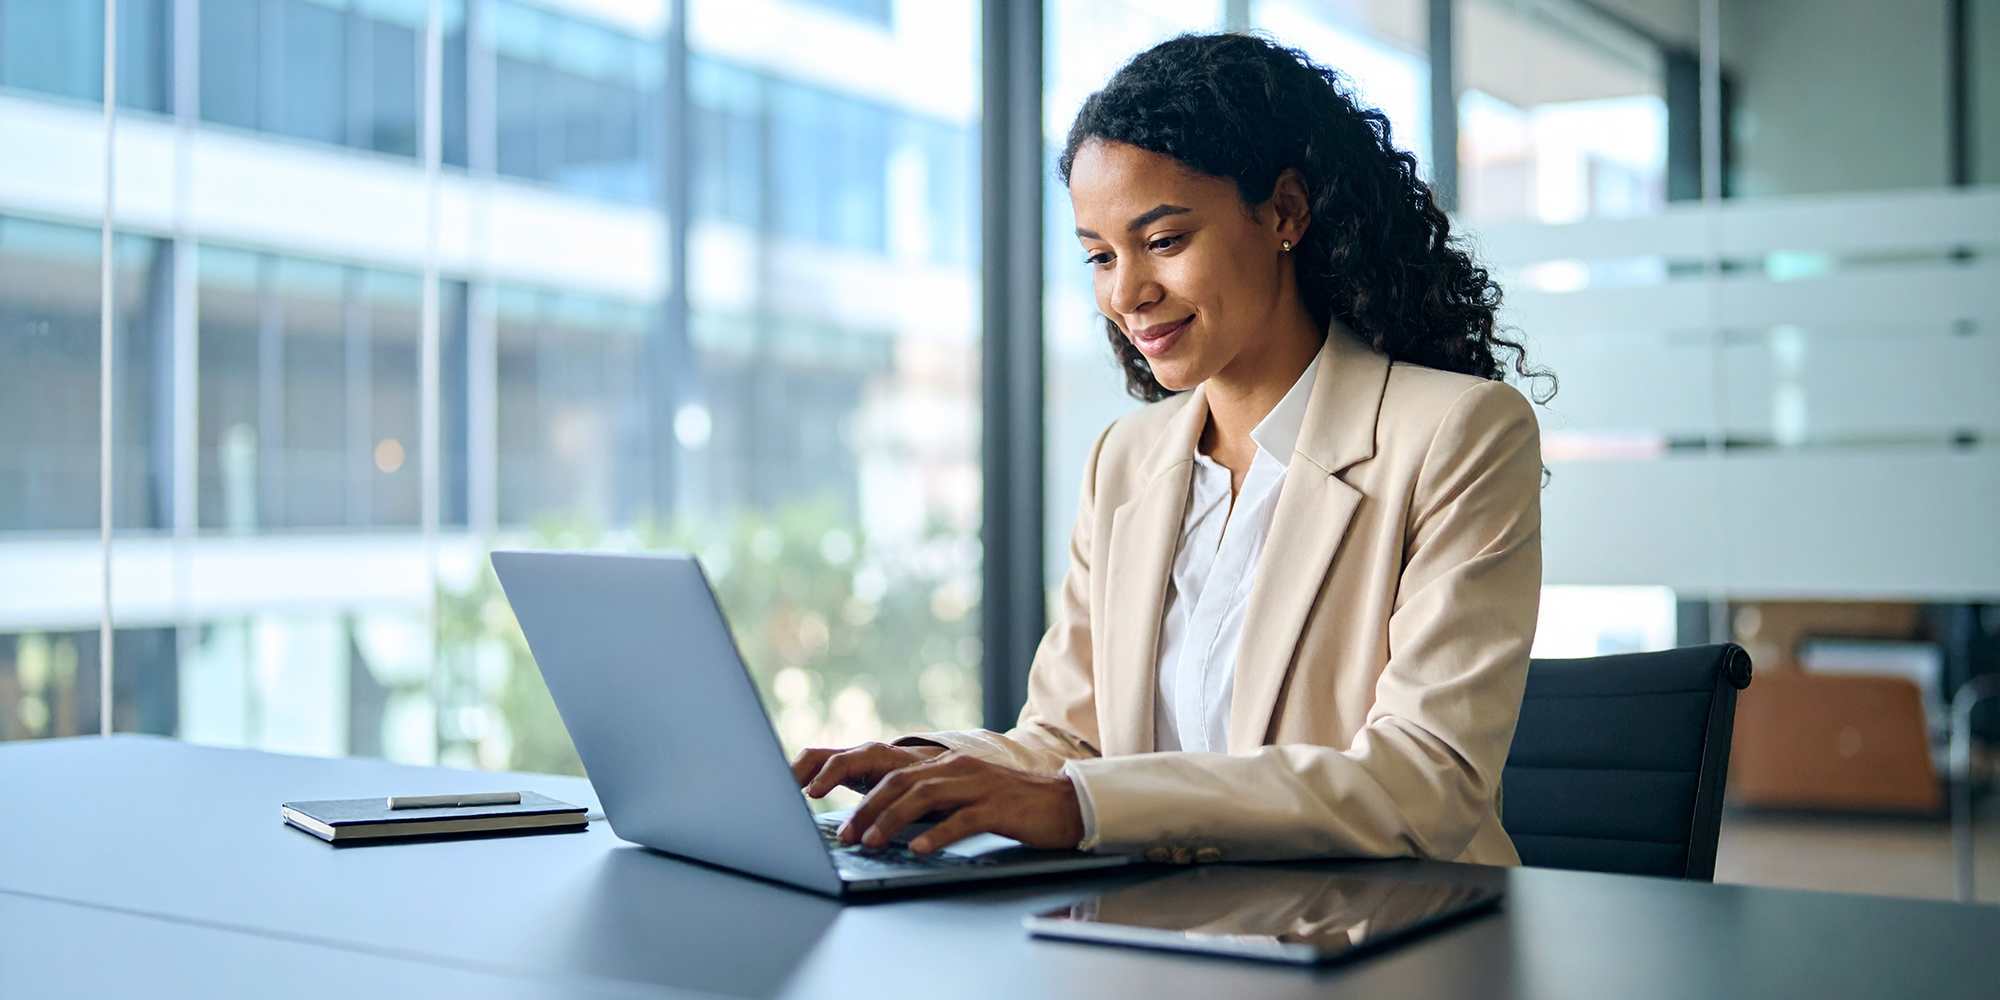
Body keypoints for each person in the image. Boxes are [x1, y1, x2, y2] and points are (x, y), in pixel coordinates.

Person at [793, 32, 1550, 866]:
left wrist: (1076, 807)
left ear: (1286, 212)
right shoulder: (1125, 459)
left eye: (1164, 241)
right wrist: (932, 769)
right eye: (1099, 255)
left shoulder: (1459, 433)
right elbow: (1070, 739)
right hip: (1168, 931)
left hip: (1390, 945)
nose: (1126, 293)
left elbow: (1423, 781)